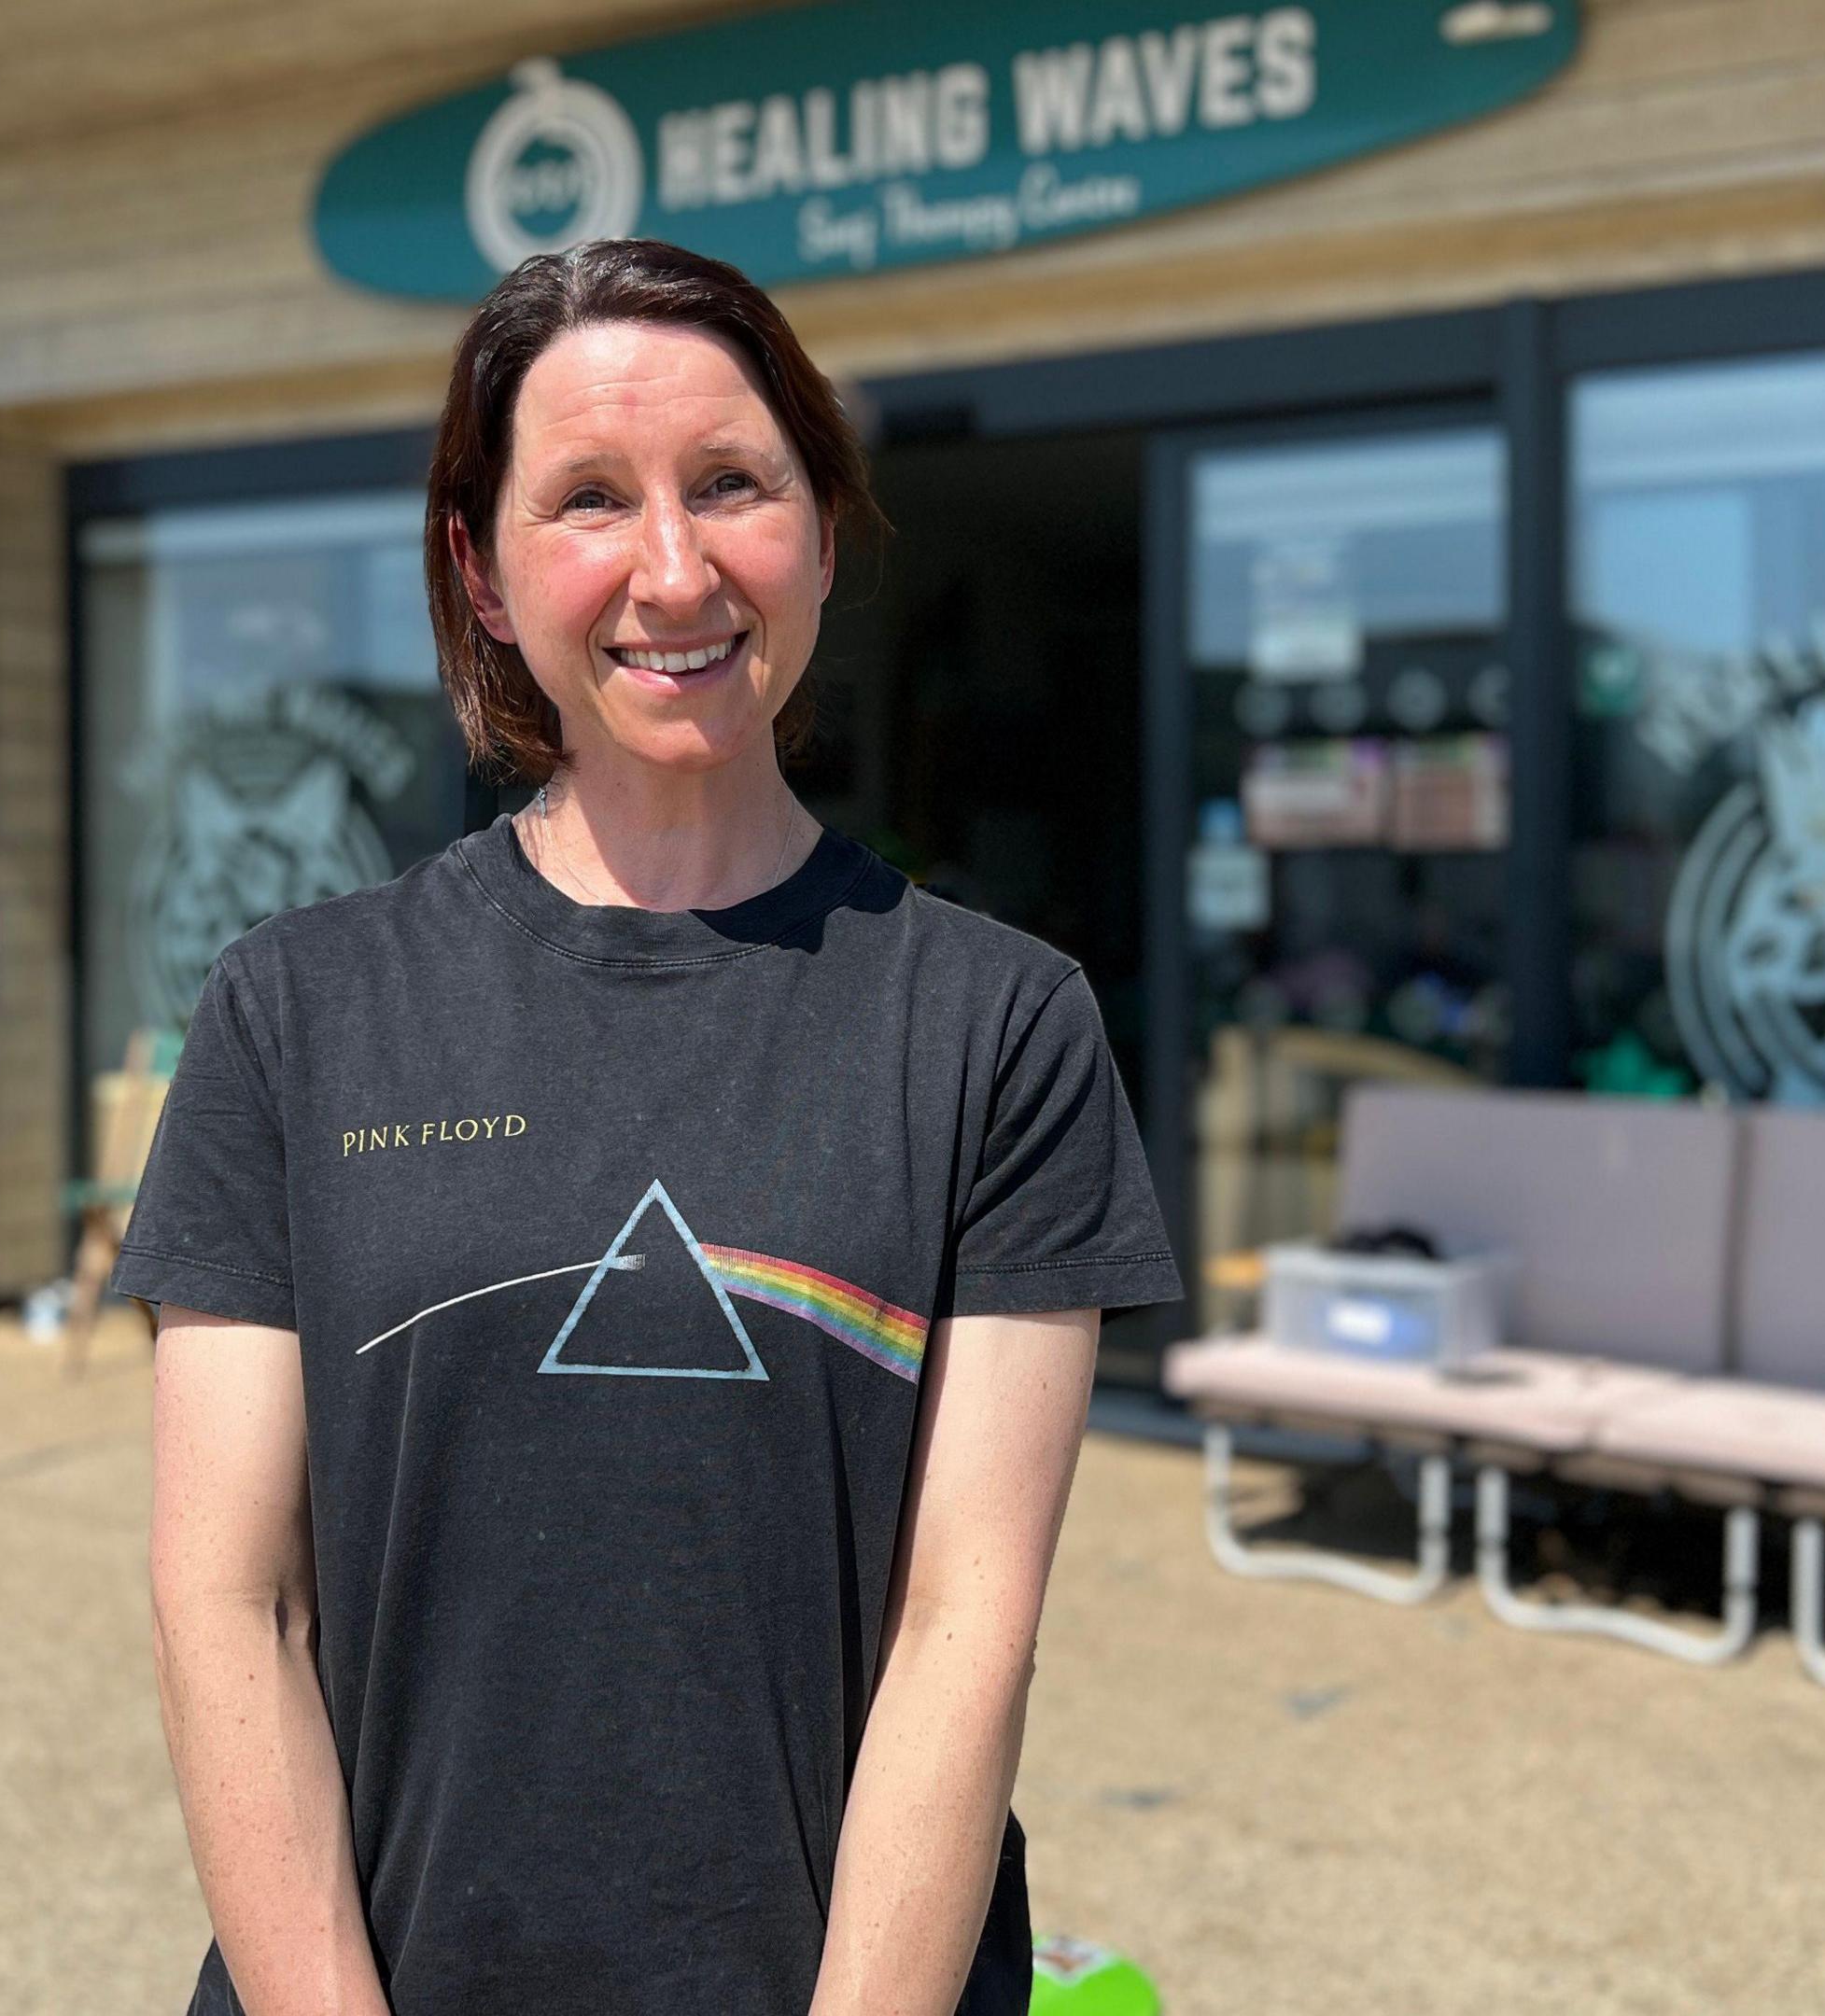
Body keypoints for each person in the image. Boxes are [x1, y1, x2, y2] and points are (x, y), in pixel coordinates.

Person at [115, 237, 1181, 2016]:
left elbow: (963, 1629)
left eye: (734, 486)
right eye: (589, 499)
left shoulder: (999, 1025)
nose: (672, 570)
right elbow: (232, 1605)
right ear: (480, 568)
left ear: (825, 534)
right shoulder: (293, 1011)